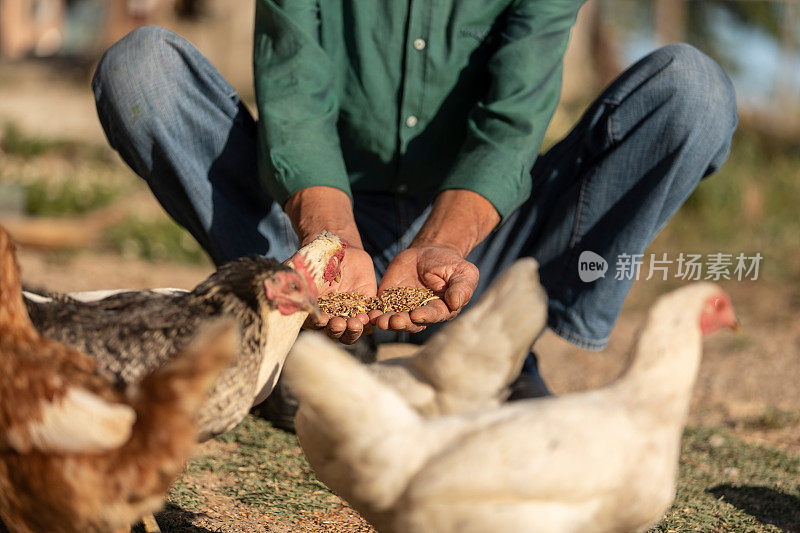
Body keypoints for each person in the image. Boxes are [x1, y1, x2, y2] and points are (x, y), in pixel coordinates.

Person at [91, 1, 737, 404]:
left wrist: (441, 246)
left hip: (475, 245)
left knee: (694, 94)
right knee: (140, 73)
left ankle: (498, 345)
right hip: (308, 232)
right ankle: (295, 332)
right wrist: (331, 244)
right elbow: (293, 92)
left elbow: (510, 126)